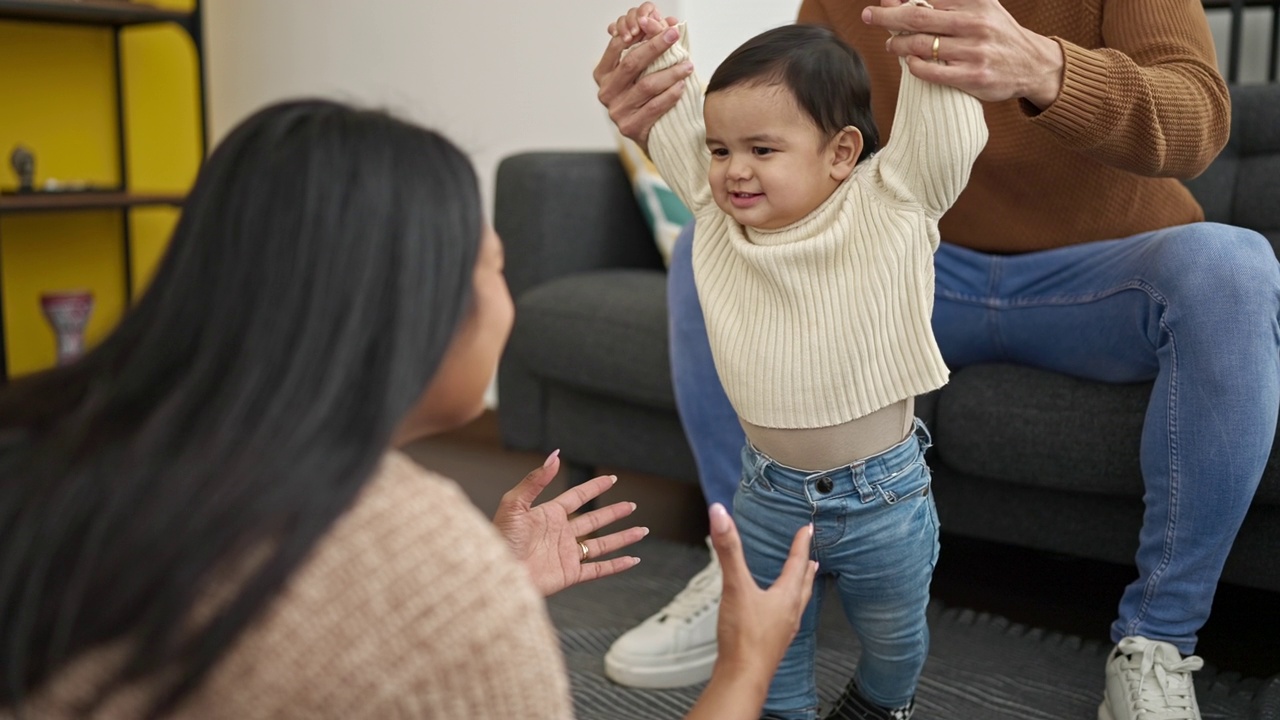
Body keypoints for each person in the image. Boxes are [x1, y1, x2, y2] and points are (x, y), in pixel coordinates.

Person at [0, 98, 819, 719]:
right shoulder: (425, 563)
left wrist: (486, 583)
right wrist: (746, 663)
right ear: (420, 311)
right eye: (496, 265)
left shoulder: (40, 445)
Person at [593, 2, 1280, 720]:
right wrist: (661, 102)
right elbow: (800, 127)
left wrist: (1046, 67)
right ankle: (741, 575)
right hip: (920, 267)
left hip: (1102, 282)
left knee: (1234, 268)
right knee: (703, 262)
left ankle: (1156, 640)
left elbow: (1198, 120)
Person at [601, 7, 986, 718]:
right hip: (768, 494)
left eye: (762, 150)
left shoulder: (892, 204)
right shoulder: (718, 220)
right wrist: (652, 46)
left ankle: (881, 704)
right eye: (720, 151)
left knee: (893, 637)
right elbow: (675, 111)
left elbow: (947, 136)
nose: (733, 170)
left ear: (841, 153)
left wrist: (929, 30)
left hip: (885, 499)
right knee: (767, 642)